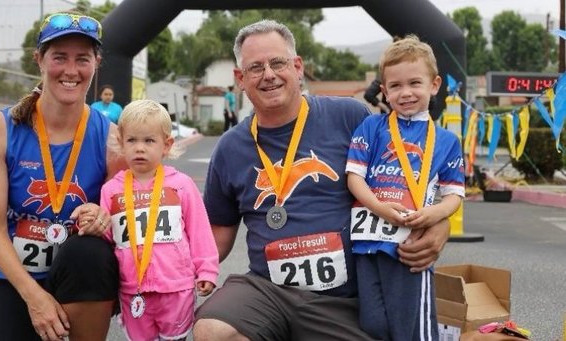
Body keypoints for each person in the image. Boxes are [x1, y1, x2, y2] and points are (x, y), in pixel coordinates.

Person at [193, 19, 451, 341]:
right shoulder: (230, 147)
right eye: (255, 67)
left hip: (342, 300)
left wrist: (441, 223)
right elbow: (218, 229)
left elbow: (411, 176)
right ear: (240, 79)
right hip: (266, 291)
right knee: (213, 331)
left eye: (278, 62)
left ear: (297, 67)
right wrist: (171, 264)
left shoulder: (350, 117)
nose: (269, 74)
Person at [0, 12, 127, 341]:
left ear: (96, 63)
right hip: (11, 276)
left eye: (82, 59)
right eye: (59, 57)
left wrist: (102, 217)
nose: (71, 70)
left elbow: (120, 219)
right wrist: (35, 297)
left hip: (79, 277)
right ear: (39, 60)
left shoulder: (112, 137)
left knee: (90, 252)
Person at [345, 35, 465, 341]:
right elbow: (354, 178)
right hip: (367, 244)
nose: (406, 92)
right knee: (373, 324)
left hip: (409, 246)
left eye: (415, 83)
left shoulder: (447, 141)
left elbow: (454, 195)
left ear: (434, 85)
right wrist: (380, 208)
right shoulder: (372, 127)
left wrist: (434, 214)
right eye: (395, 86)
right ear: (384, 91)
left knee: (412, 328)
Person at [100, 99, 219, 340]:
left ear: (166, 145)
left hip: (177, 288)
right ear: (121, 143)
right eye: (132, 140)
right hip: (133, 291)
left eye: (149, 140)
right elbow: (106, 238)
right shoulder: (111, 190)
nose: (139, 148)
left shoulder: (182, 185)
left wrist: (207, 270)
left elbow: (200, 232)